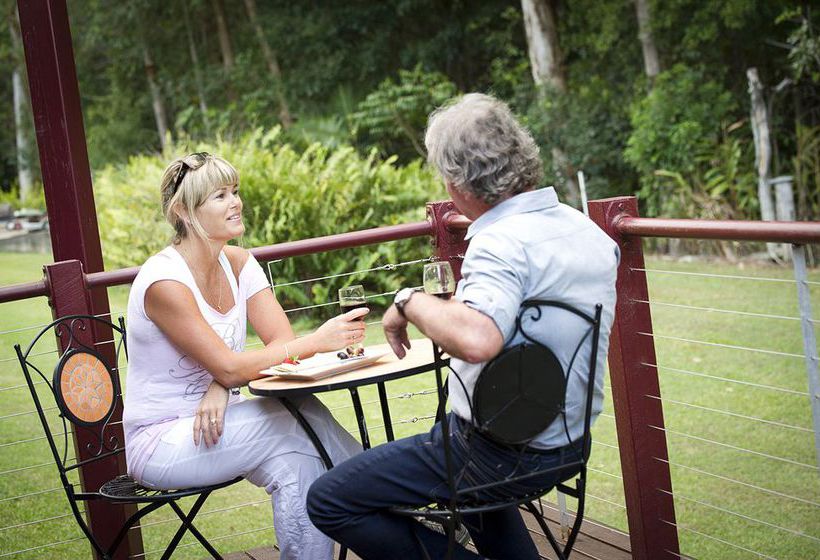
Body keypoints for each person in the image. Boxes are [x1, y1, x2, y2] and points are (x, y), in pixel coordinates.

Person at [306, 93, 620, 559]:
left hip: (499, 453)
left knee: (330, 501)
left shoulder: (500, 242)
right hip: (569, 444)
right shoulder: (585, 230)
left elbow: (477, 339)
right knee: (467, 477)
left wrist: (408, 299)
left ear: (456, 182)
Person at [123, 152, 364, 560]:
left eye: (235, 191)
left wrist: (222, 382)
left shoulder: (238, 262)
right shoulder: (164, 282)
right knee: (289, 414)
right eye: (220, 195)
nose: (235, 202)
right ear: (183, 210)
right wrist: (316, 341)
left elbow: (279, 341)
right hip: (162, 442)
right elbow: (263, 357)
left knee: (298, 464)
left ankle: (379, 497)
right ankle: (390, 492)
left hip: (221, 427)